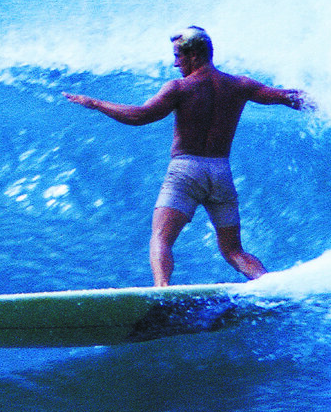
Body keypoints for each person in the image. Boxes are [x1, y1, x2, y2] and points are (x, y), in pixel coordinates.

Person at [63, 26, 309, 286]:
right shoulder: (239, 85)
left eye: (177, 56)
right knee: (234, 251)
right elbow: (287, 97)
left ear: (193, 56)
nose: (174, 63)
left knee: (161, 238)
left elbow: (140, 116)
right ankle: (268, 285)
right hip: (220, 172)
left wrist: (96, 104)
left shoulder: (180, 88)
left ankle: (162, 291)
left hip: (186, 171)